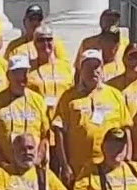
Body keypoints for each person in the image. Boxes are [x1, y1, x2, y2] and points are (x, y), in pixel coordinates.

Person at [52, 49, 132, 180]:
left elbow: (126, 127)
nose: (93, 71)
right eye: (88, 67)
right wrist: (65, 165)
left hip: (110, 165)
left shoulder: (115, 95)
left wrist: (128, 156)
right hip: (79, 167)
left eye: (97, 67)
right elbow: (59, 132)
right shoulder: (68, 97)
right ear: (80, 69)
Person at [0, 56, 52, 168]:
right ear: (8, 76)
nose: (22, 77)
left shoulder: (38, 100)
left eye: (25, 72)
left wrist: (38, 159)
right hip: (5, 168)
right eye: (17, 73)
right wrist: (1, 162)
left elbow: (45, 135)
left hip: (33, 167)